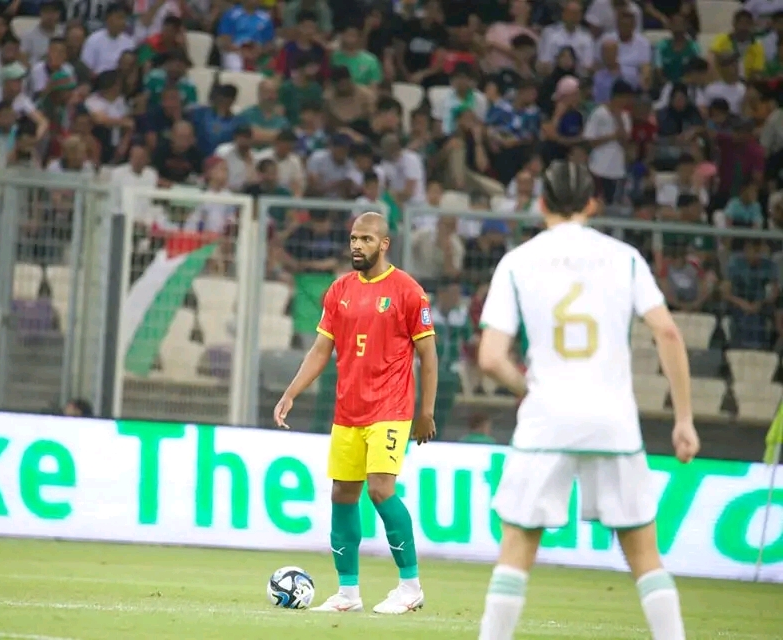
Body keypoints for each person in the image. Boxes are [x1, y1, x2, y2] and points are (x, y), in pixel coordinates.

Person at [475, 160, 700, 640]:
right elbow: (667, 331)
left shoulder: (517, 261)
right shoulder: (624, 257)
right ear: (592, 203)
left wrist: (527, 389)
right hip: (612, 421)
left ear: (541, 204)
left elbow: (491, 357)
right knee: (643, 553)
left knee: (517, 546)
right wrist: (684, 418)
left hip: (546, 421)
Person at [273, 212, 438, 615]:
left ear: (384, 244)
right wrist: (292, 392)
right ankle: (348, 594)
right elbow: (319, 351)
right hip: (348, 411)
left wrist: (426, 412)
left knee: (381, 489)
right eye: (352, 239)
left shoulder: (408, 292)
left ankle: (410, 587)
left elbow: (429, 356)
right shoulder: (339, 291)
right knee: (343, 494)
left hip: (391, 408)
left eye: (365, 239)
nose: (356, 246)